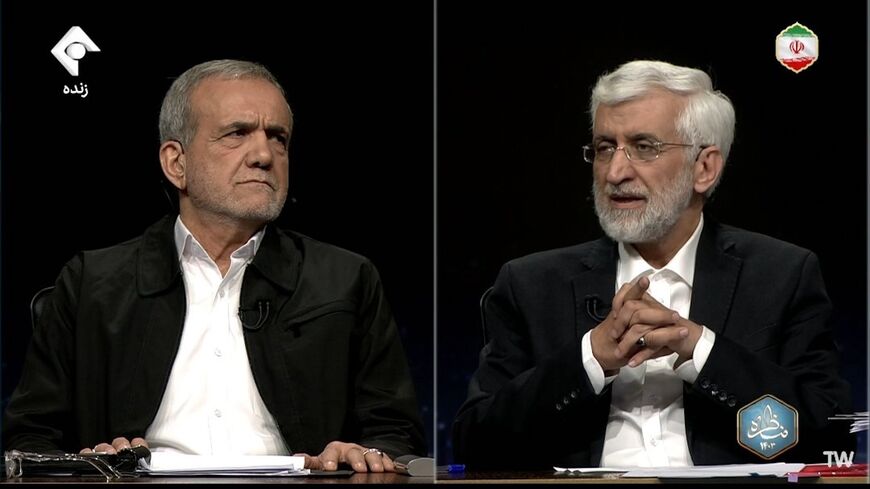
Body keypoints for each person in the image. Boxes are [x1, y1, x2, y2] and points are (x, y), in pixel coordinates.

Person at [3, 59, 425, 473]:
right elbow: (28, 442)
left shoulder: (346, 280)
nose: (264, 154)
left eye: (278, 137)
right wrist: (90, 464)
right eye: (237, 133)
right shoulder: (91, 283)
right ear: (176, 163)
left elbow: (397, 434)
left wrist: (362, 452)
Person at [452, 60, 852, 468]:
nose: (615, 172)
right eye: (605, 148)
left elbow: (828, 441)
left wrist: (700, 352)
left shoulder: (780, 275)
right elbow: (476, 446)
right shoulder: (531, 285)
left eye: (644, 147)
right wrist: (591, 358)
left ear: (705, 168)